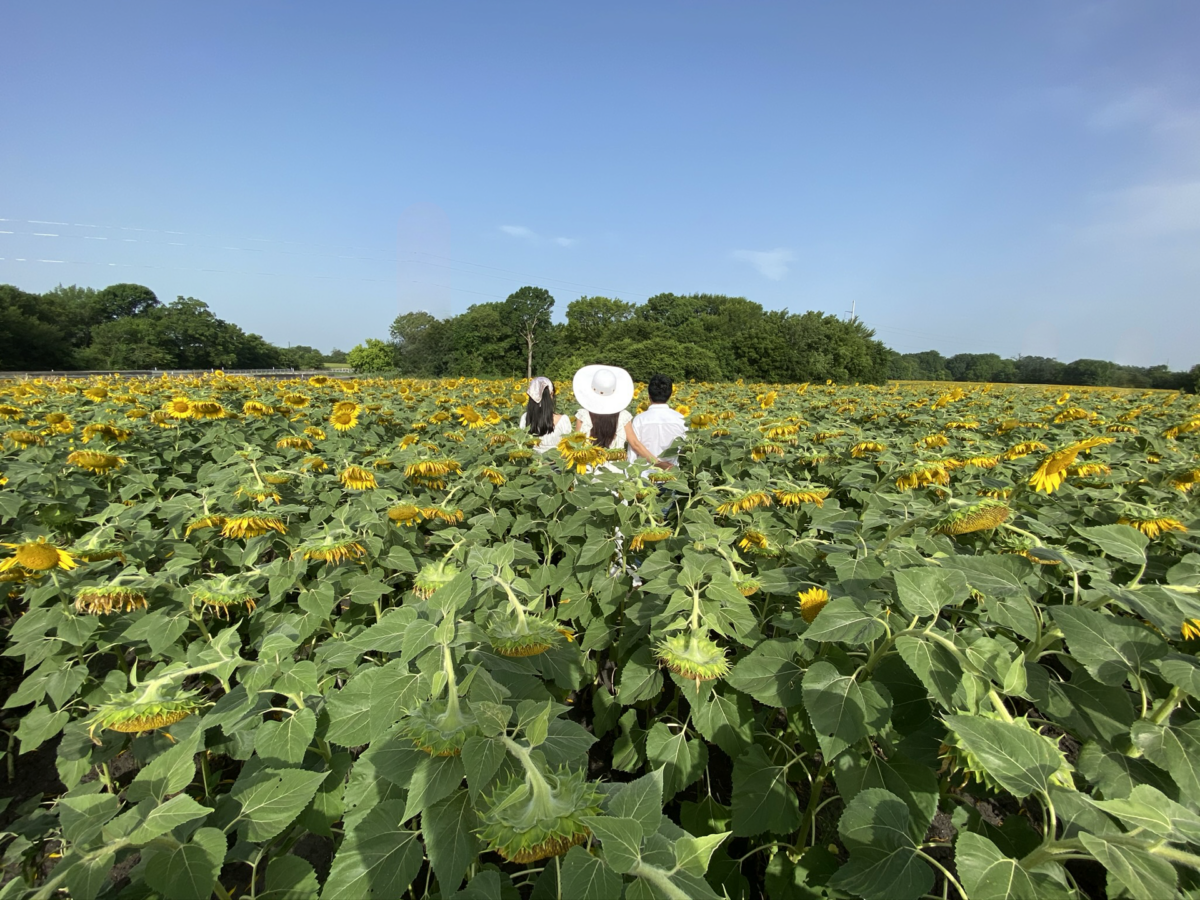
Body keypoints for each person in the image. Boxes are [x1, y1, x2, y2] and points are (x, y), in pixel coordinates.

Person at [626, 373, 687, 469]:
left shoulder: (639, 420)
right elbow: (685, 448)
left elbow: (633, 452)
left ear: (649, 395)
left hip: (643, 478)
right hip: (672, 476)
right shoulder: (680, 419)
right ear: (670, 394)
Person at [572, 365, 636, 450]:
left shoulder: (583, 415)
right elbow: (635, 443)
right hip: (615, 463)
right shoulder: (623, 416)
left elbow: (575, 444)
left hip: (588, 462)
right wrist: (656, 461)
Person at [519, 376, 573, 453]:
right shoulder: (563, 420)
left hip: (531, 464)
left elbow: (521, 446)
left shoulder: (525, 418)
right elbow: (569, 448)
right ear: (551, 394)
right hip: (556, 463)